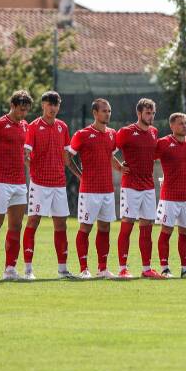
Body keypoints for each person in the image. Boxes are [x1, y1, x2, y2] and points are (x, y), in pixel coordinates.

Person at [67, 99, 126, 279]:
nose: (107, 114)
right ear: (95, 113)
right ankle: (84, 269)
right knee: (85, 228)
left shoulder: (111, 134)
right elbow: (68, 158)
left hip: (107, 190)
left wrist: (120, 167)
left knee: (105, 228)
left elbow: (109, 155)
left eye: (109, 111)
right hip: (89, 191)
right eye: (104, 111)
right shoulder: (82, 134)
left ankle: (103, 269)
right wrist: (79, 175)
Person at [23, 91, 78, 279]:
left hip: (59, 184)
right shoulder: (33, 127)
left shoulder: (63, 127)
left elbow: (67, 158)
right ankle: (28, 270)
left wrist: (80, 175)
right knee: (33, 222)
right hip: (39, 184)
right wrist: (34, 171)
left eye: (56, 105)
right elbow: (26, 155)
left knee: (61, 225)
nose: (53, 108)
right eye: (49, 104)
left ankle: (62, 270)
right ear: (43, 106)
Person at [0, 90, 32, 281]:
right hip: (0, 182)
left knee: (16, 226)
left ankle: (10, 269)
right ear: (12, 106)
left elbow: (23, 152)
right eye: (21, 109)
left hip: (19, 182)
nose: (23, 114)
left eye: (26, 110)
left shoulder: (25, 126)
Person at [114, 98, 159, 279]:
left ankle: (146, 268)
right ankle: (122, 268)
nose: (151, 116)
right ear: (139, 113)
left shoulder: (154, 132)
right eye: (148, 113)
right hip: (130, 186)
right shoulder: (125, 132)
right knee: (127, 226)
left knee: (147, 227)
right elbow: (109, 149)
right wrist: (118, 166)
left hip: (149, 187)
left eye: (153, 113)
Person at [153, 113, 186, 278]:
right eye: (180, 123)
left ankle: (185, 268)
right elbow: (149, 158)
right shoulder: (163, 143)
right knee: (166, 231)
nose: (184, 126)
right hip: (169, 197)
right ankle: (165, 268)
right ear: (172, 126)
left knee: (185, 232)